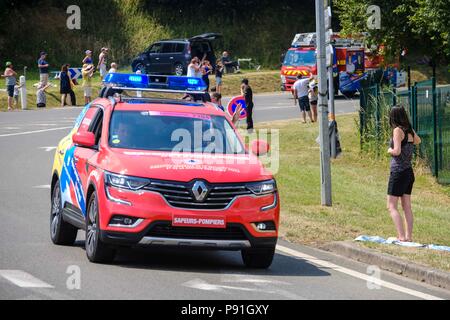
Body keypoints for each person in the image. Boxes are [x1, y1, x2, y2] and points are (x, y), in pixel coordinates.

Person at [387, 106, 421, 242]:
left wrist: (389, 149)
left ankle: (401, 236)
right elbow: (418, 141)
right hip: (408, 172)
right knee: (406, 206)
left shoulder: (397, 130)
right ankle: (408, 237)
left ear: (393, 117)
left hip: (398, 172)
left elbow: (397, 151)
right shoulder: (409, 130)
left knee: (391, 206)